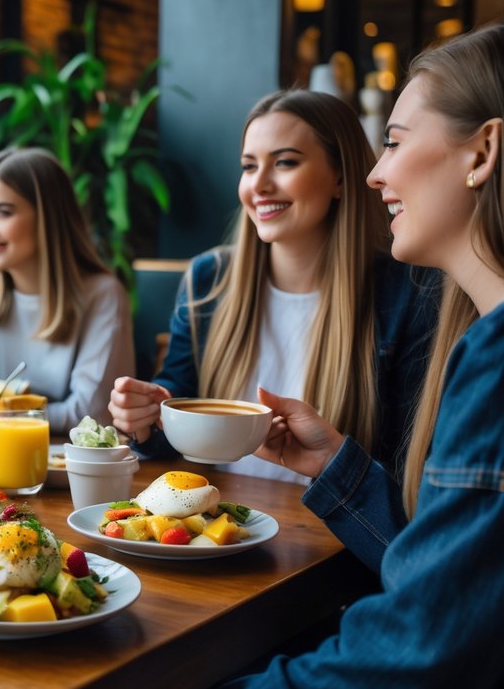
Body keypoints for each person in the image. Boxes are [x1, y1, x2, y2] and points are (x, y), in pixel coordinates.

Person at [188, 21, 504, 689]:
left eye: (392, 141)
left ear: (482, 152)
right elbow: (446, 582)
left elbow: (418, 652)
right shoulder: (209, 281)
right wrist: (337, 463)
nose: (375, 172)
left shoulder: (487, 355)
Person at [109, 90, 437, 493]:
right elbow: (168, 423)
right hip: (217, 527)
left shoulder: (405, 294)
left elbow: (406, 475)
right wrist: (142, 419)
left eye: (284, 162)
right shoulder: (209, 279)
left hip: (334, 541)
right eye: (249, 166)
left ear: (340, 176)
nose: (259, 185)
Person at [0, 147, 134, 432]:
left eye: (3, 212)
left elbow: (91, 414)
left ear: (48, 218)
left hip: (58, 463)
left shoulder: (103, 295)